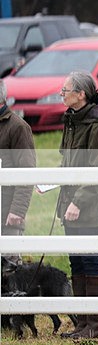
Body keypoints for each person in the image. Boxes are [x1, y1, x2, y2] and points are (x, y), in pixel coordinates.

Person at [57, 71, 98, 339]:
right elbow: (67, 163)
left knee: (91, 261)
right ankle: (82, 323)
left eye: (65, 89)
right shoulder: (71, 121)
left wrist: (78, 202)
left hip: (88, 208)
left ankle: (96, 326)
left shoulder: (97, 125)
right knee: (76, 261)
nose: (61, 93)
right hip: (69, 205)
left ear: (81, 94)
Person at [0, 80, 36, 265]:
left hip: (7, 214)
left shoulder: (18, 128)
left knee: (10, 273)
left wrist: (17, 211)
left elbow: (27, 173)